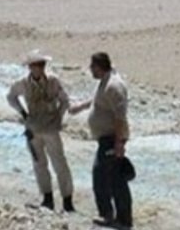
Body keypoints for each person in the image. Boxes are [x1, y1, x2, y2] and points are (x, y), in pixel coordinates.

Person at [6, 50, 75, 212]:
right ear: (30, 67)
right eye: (36, 65)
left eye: (42, 64)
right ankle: (47, 198)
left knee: (60, 163)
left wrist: (58, 117)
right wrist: (23, 113)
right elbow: (11, 96)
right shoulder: (23, 83)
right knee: (39, 164)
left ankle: (67, 201)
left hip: (51, 129)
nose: (40, 67)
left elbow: (64, 100)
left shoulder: (53, 81)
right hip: (33, 129)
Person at [70, 51, 132, 229]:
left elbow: (120, 117)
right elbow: (99, 100)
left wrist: (118, 143)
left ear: (99, 67)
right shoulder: (106, 82)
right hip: (107, 139)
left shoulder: (114, 86)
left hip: (112, 139)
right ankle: (118, 217)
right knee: (111, 178)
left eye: (92, 66)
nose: (90, 70)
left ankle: (115, 217)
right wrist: (81, 107)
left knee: (105, 178)